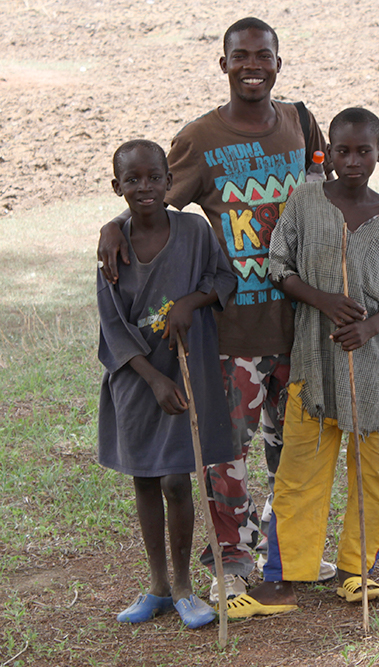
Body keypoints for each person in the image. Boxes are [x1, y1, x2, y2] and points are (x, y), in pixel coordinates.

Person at [96, 17, 333, 602]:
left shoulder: (302, 125)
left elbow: (327, 199)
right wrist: (112, 225)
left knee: (297, 448)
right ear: (222, 64)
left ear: (279, 62)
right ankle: (231, 561)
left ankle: (290, 550)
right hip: (233, 331)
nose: (253, 65)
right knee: (228, 454)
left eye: (264, 55)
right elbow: (152, 205)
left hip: (302, 324)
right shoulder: (201, 138)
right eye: (241, 56)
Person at [226, 108, 379, 618]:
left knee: (375, 478)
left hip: (376, 372)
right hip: (314, 370)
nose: (353, 160)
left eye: (364, 151)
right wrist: (321, 299)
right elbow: (279, 266)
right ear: (327, 153)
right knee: (299, 477)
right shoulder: (305, 202)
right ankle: (283, 581)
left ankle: (356, 572)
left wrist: (370, 326)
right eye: (343, 151)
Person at [96, 139, 237, 629]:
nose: (144, 187)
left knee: (178, 479)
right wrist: (152, 378)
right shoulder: (112, 249)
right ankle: (156, 585)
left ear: (169, 181)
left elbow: (225, 279)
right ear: (117, 187)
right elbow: (112, 326)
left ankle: (183, 586)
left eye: (153, 177)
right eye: (131, 180)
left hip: (185, 373)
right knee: (146, 478)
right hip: (138, 380)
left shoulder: (195, 231)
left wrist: (191, 304)